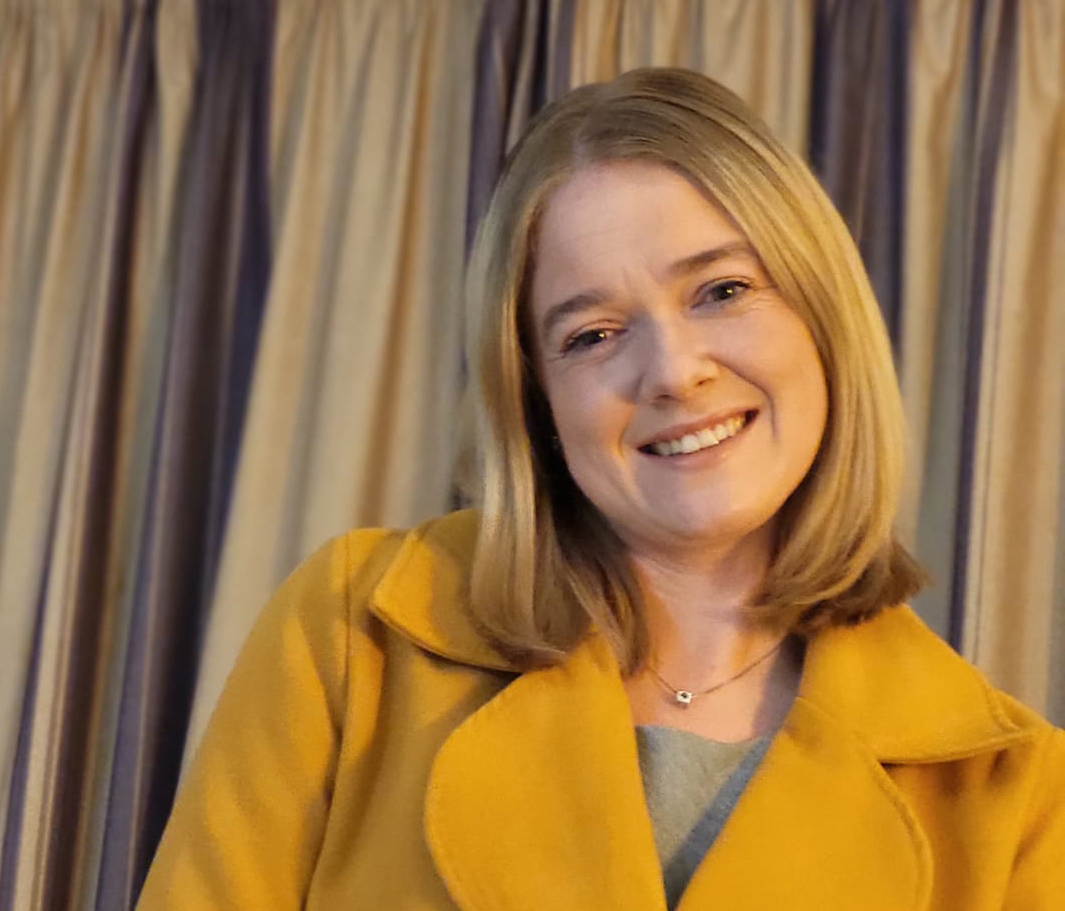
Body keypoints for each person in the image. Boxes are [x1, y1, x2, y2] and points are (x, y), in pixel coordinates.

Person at [137, 68, 1064, 910]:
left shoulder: (1014, 792)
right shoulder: (353, 632)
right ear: (536, 401)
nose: (672, 370)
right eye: (591, 334)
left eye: (721, 291)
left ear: (821, 315)